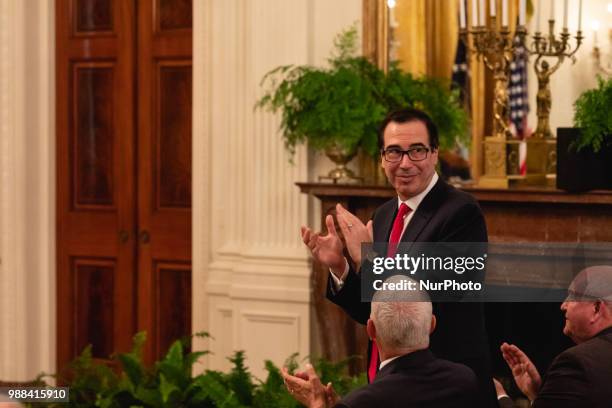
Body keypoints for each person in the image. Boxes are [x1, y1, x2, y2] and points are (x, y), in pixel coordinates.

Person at [301, 108, 496, 406]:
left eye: (416, 151)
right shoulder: (384, 214)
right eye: (394, 152)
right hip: (391, 386)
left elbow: (429, 302)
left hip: (444, 392)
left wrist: (369, 261)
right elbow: (378, 311)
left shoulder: (461, 212)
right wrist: (340, 266)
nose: (405, 163)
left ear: (434, 154)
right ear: (382, 158)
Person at [282, 276, 480, 408]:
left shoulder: (360, 403)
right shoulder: (464, 380)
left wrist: (317, 403)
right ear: (432, 324)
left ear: (371, 329)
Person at [496, 265, 612, 408]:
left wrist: (500, 397)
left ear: (596, 308)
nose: (563, 305)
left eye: (572, 296)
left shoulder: (576, 364)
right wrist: (539, 396)